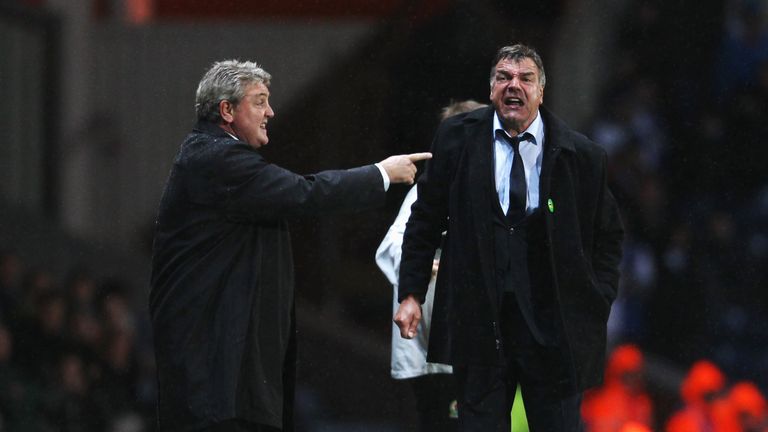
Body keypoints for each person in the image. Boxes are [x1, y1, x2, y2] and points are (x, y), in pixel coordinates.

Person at [149, 60, 430, 432]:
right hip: (213, 377)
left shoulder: (214, 158)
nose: (271, 112)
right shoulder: (216, 159)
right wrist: (381, 173)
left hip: (219, 374)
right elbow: (304, 193)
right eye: (260, 101)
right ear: (227, 110)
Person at [394, 43, 624, 431]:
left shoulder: (581, 156)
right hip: (480, 326)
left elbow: (609, 235)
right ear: (490, 89)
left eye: (525, 78)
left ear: (541, 91)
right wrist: (411, 292)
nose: (513, 85)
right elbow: (425, 220)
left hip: (554, 332)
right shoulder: (456, 138)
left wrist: (596, 299)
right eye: (504, 77)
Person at [376, 99, 487, 432]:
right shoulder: (426, 195)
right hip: (431, 347)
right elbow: (393, 247)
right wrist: (432, 264)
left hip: (477, 343)